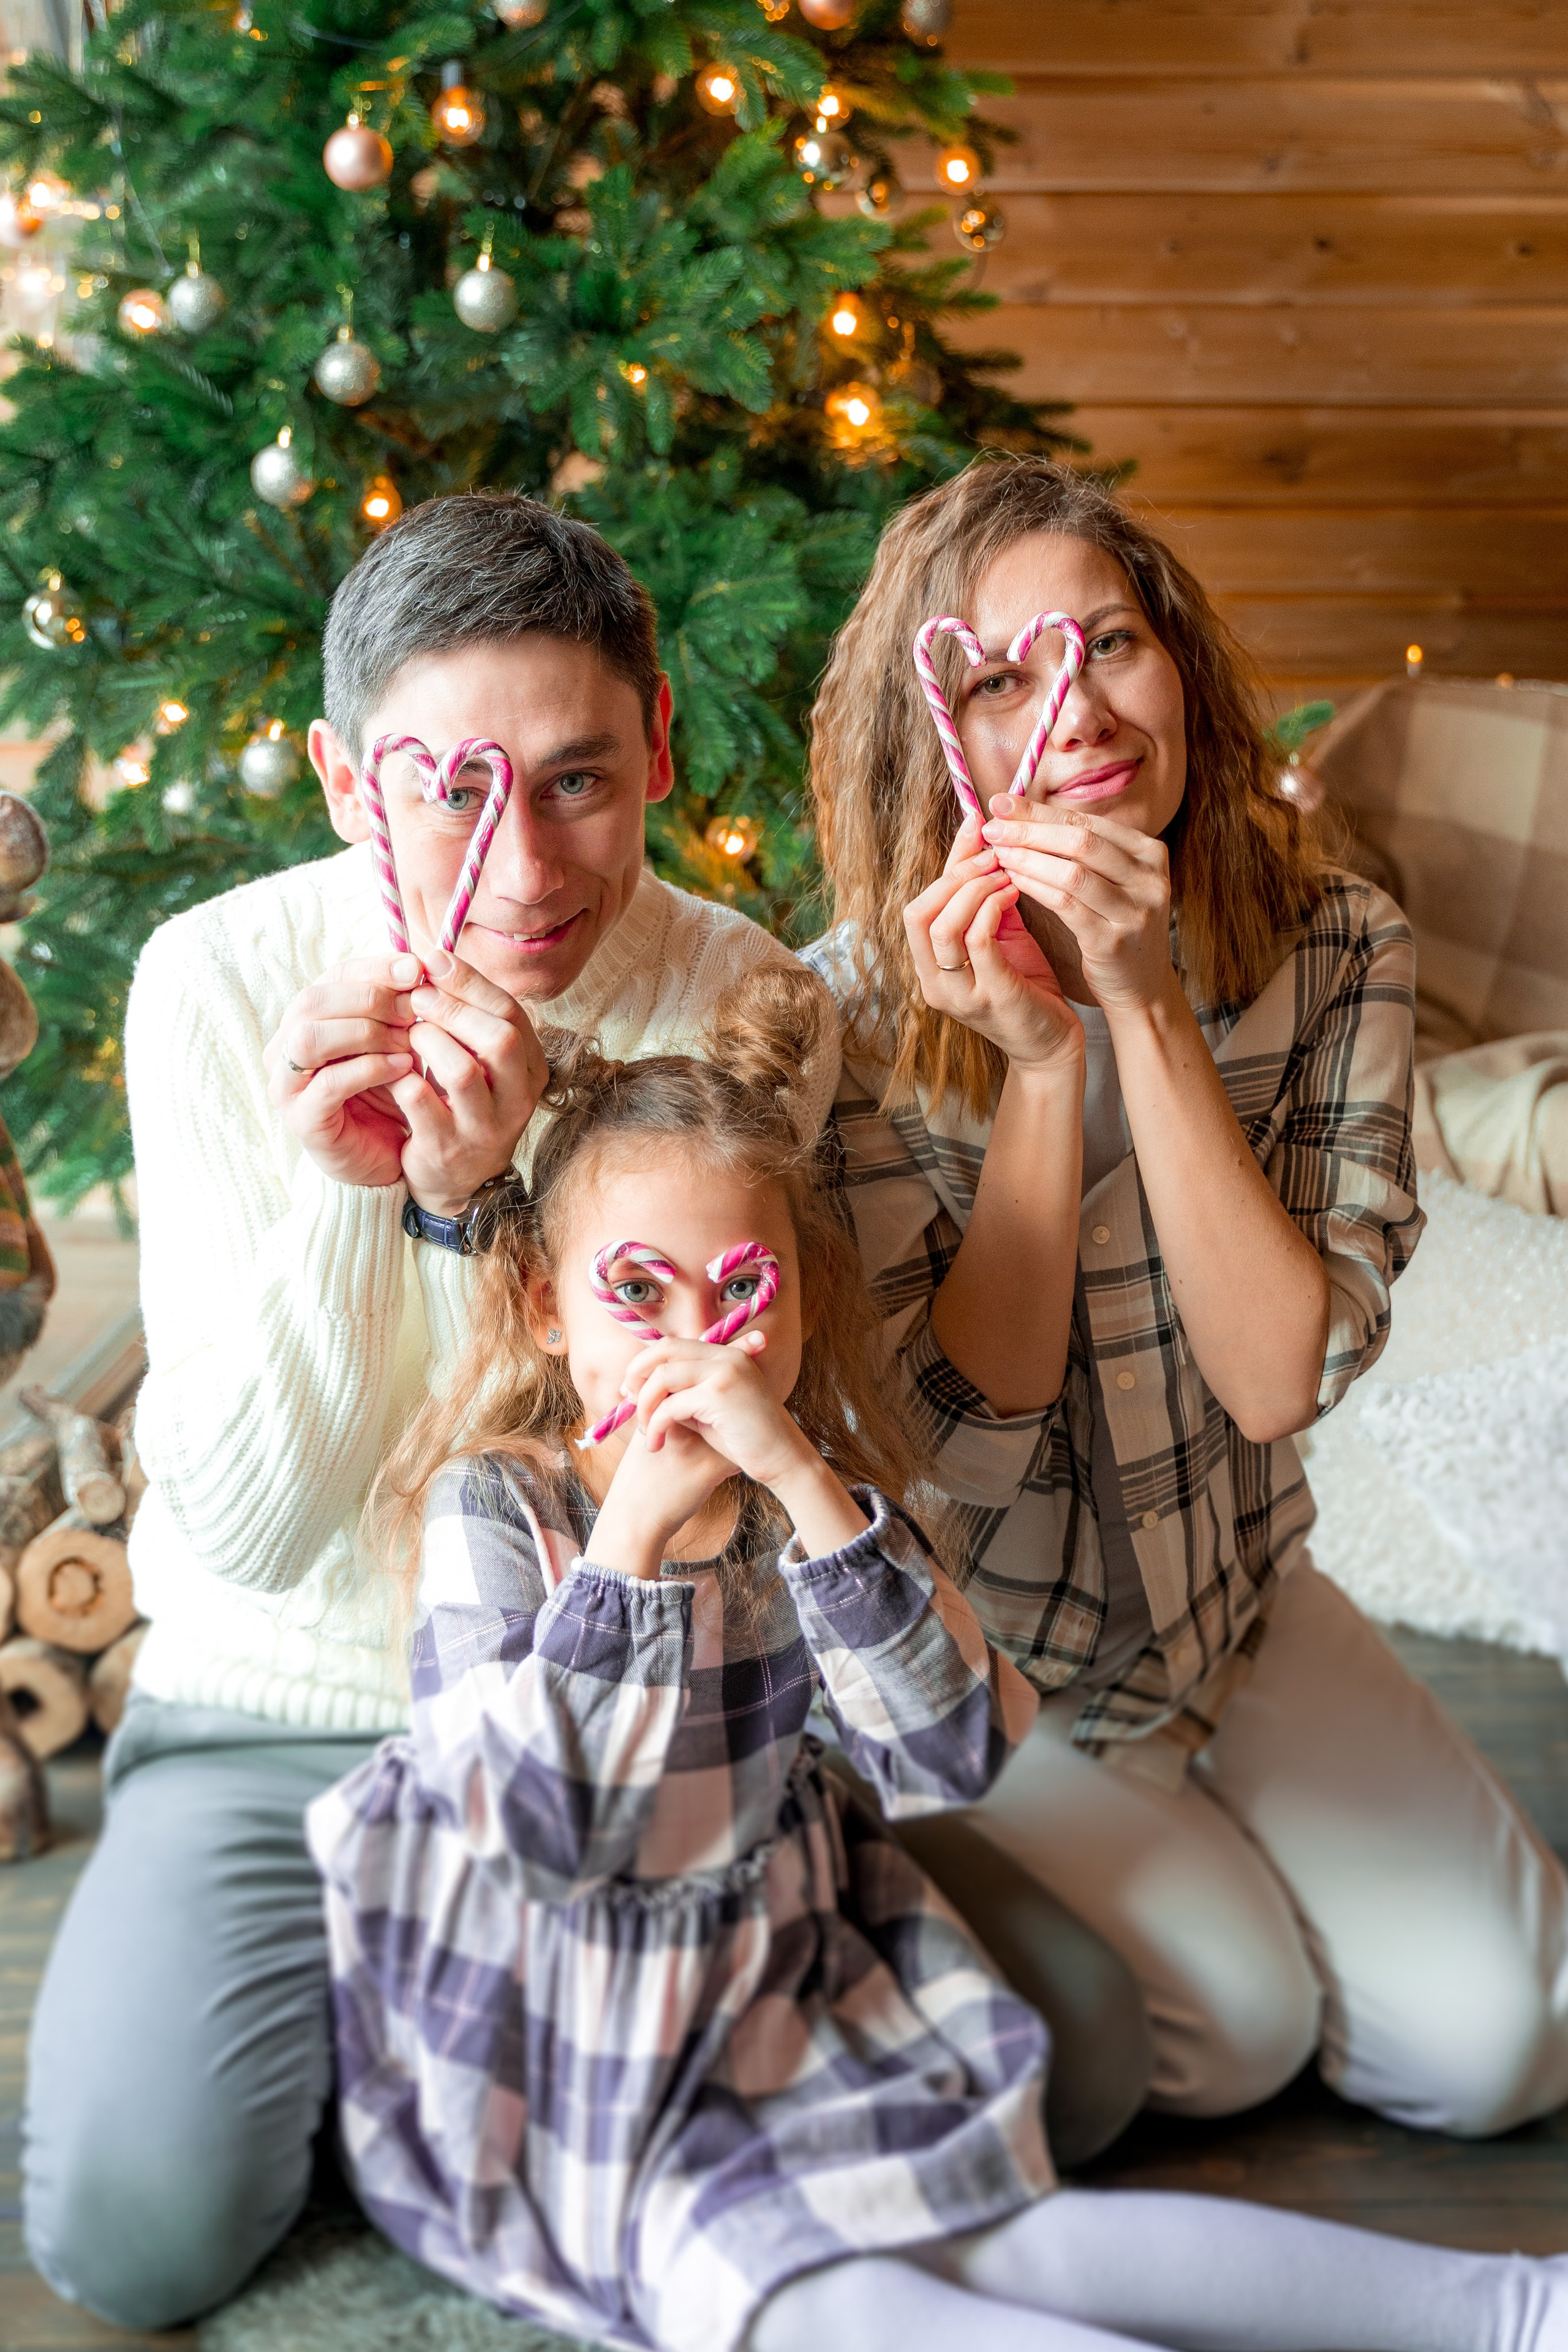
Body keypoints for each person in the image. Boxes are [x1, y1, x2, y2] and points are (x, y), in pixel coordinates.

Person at [307, 975, 1568, 2352]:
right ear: (549, 1309)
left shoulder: (818, 1505)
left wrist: (802, 1484)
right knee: (808, 2296)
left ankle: (1512, 2310)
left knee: (1008, 2234)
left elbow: (947, 1755)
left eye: (738, 1294)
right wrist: (629, 1540)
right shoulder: (499, 1508)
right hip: (565, 2032)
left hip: (767, 1982)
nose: (689, 1345)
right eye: (637, 1294)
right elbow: (529, 1831)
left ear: (793, 1307)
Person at [21, 495, 851, 2329]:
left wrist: (487, 1217)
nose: (525, 866)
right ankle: (404, 2023)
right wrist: (366, 1193)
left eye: (577, 781)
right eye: (450, 788)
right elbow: (254, 1532)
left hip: (616, 1693)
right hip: (277, 1711)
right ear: (341, 784)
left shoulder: (740, 1001)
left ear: (654, 752)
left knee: (1048, 2069)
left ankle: (432, 2027)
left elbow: (729, 1447)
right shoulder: (218, 984)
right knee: (130, 2233)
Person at [803, 454, 1568, 2139]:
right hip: (1003, 1666)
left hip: (1233, 1604)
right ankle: (920, 1854)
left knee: (1507, 2046)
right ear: (928, 735)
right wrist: (1038, 1064)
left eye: (1114, 642)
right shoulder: (843, 1022)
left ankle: (1235, 1870)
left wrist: (1145, 1013)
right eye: (1000, 679)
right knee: (1236, 2034)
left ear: (1183, 664)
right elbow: (970, 1432)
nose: (1076, 705)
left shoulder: (1336, 942)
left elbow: (1275, 1379)